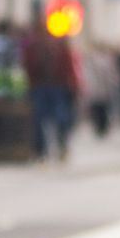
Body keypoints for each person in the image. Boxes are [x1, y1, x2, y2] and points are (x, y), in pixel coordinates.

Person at [21, 17, 79, 161]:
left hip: (56, 86)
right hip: (42, 86)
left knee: (58, 118)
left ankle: (57, 146)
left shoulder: (57, 45)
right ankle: (42, 150)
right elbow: (27, 67)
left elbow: (68, 66)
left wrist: (72, 83)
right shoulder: (34, 46)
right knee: (40, 119)